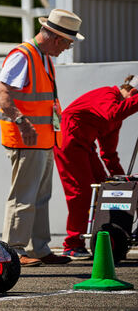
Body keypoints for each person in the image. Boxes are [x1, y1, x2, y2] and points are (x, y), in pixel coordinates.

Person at [0, 8, 85, 267]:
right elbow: (0, 91)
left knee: (40, 197)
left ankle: (39, 248)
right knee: (23, 196)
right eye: (67, 42)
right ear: (56, 38)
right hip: (27, 139)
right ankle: (13, 250)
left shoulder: (42, 57)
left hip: (43, 140)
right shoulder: (24, 55)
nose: (67, 47)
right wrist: (22, 123)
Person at [54, 75, 138, 259]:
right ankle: (72, 243)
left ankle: (107, 237)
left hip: (84, 146)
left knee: (104, 187)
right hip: (67, 143)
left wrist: (124, 183)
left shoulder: (117, 117)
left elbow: (109, 154)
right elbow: (113, 113)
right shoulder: (108, 95)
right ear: (132, 93)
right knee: (81, 192)